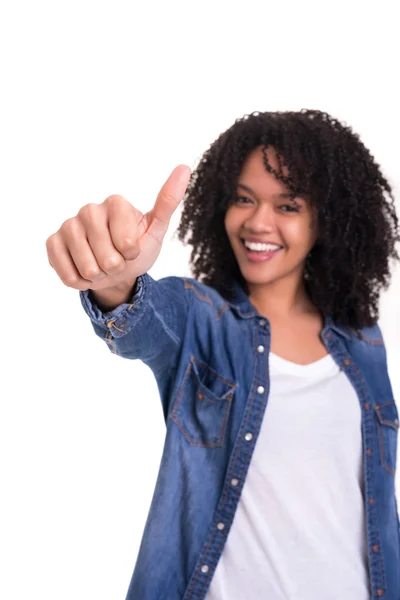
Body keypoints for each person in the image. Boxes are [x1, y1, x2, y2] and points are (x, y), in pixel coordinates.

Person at [46, 109, 400, 600]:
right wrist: (117, 282)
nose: (258, 222)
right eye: (244, 199)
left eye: (288, 205)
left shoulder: (363, 343)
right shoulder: (201, 320)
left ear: (327, 218)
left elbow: (376, 514)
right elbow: (143, 318)